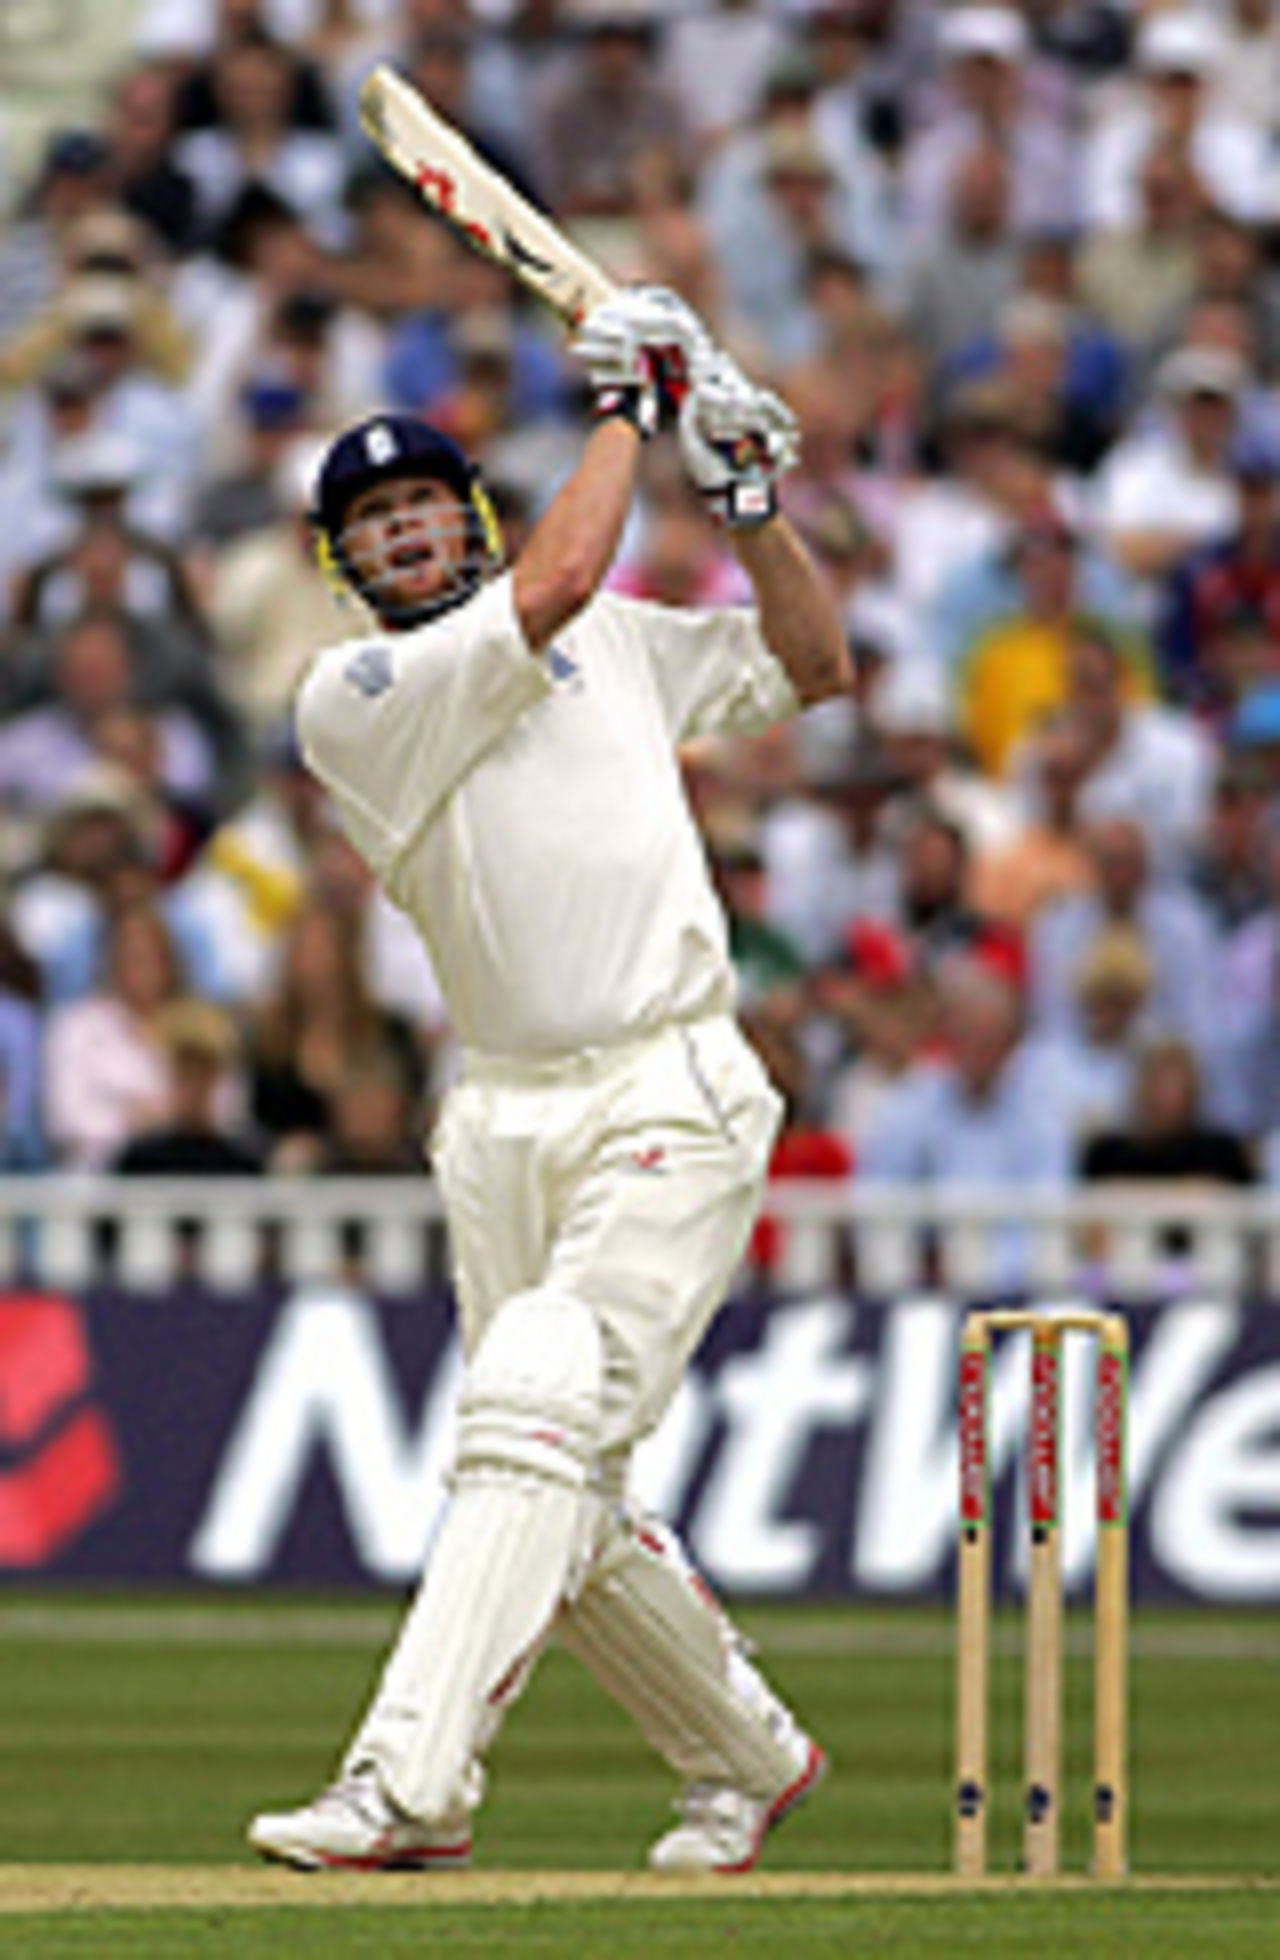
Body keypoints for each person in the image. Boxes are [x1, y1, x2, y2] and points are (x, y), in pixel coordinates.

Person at [247, 284, 849, 1875]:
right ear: (341, 565)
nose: (403, 533)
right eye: (368, 521)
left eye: (424, 501)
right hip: (500, 1117)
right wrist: (634, 409)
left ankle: (408, 1790)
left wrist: (752, 506)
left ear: (473, 512)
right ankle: (751, 1757)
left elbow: (815, 662)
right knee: (557, 1497)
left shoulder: (620, 647)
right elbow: (568, 567)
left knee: (530, 1414)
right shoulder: (355, 702)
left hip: (668, 1084)